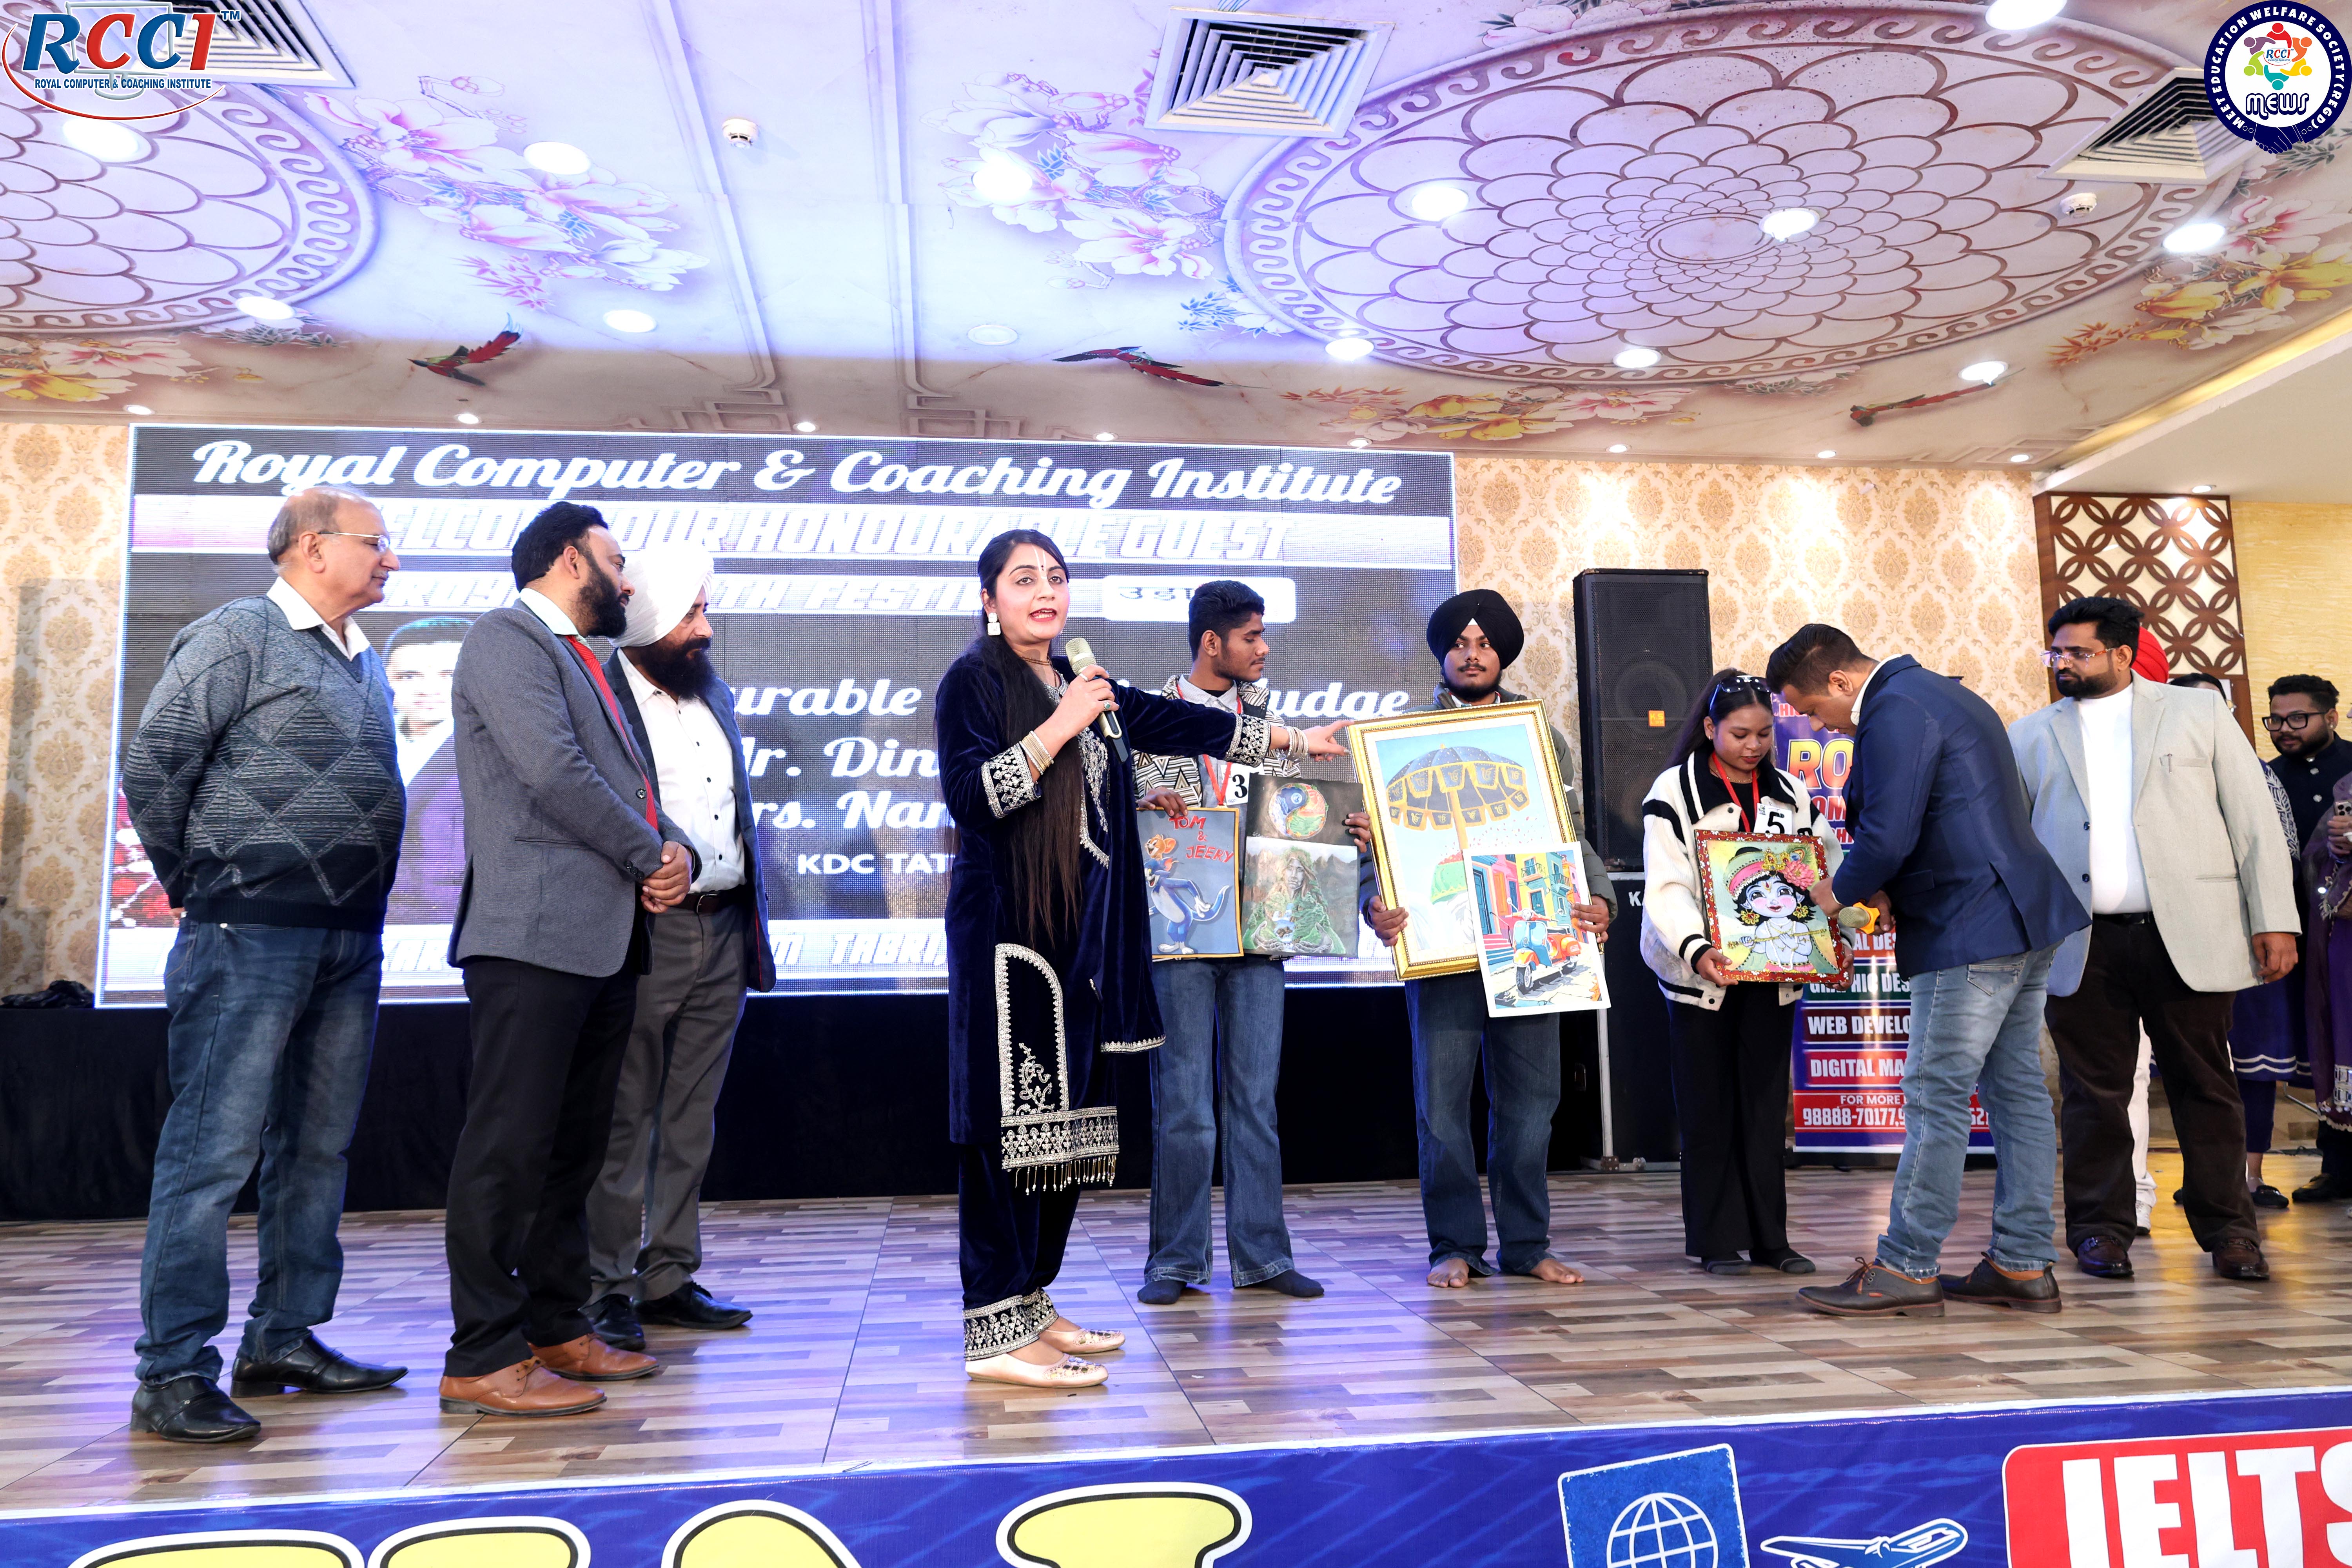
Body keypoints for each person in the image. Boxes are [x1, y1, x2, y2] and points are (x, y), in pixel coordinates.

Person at [935, 530, 1347, 1388]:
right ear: (989, 599)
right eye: (1023, 579)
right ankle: (993, 1325)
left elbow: (1185, 723)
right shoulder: (973, 680)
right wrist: (1063, 725)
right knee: (1009, 1134)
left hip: (1078, 941)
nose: (1044, 592)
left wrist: (1296, 742)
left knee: (1062, 1139)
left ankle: (1031, 1302)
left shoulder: (1077, 678)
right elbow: (974, 798)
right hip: (1010, 944)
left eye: (1055, 577)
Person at [118, 486, 409, 1443]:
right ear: (311, 547)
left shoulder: (362, 656)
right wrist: (205, 882)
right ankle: (172, 1370)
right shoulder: (237, 632)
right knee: (212, 1154)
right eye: (376, 543)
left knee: (316, 1149)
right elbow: (155, 764)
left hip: (348, 936)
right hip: (247, 932)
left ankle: (283, 1337)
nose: (390, 560)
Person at [437, 503, 696, 1417]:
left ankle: (554, 1325)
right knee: (508, 1148)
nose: (627, 581)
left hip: (600, 939)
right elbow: (553, 771)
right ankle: (482, 1351)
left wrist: (676, 846)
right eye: (616, 561)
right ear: (567, 558)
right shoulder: (505, 638)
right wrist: (648, 852)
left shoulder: (585, 657)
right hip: (532, 936)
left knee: (572, 1151)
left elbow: (625, 783)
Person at [1767, 624, 2086, 1318]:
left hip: (1970, 926)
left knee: (1935, 1094)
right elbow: (1952, 815)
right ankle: (2022, 1263)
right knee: (2017, 1092)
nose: (1818, 727)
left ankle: (1906, 1266)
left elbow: (1889, 835)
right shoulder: (1938, 692)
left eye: (1814, 710)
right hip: (2021, 915)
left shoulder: (1895, 708)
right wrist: (1885, 887)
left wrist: (1830, 896)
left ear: (1842, 682)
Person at [2011, 599, 2295, 1284]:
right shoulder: (2030, 734)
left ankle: (2230, 1232)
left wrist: (2274, 919)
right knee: (2093, 1093)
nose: (2063, 664)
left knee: (2206, 1086)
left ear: (2121, 653)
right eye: (2056, 653)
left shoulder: (2198, 713)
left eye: (2078, 653)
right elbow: (2016, 845)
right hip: (2083, 943)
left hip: (2188, 933)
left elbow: (2252, 820)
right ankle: (2100, 1232)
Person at [1347, 589, 1613, 1291]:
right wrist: (1374, 903)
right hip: (1440, 947)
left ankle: (1527, 1245)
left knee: (1532, 1107)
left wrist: (1600, 899)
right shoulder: (1399, 740)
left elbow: (1569, 831)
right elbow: (1379, 848)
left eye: (1485, 643)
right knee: (1442, 1111)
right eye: (1460, 644)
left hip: (1532, 937)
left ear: (1503, 654)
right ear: (1442, 654)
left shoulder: (1539, 735)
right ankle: (1454, 1245)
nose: (1472, 655)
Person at [585, 545, 775, 1351]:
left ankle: (668, 1275)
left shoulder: (712, 691)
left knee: (691, 1117)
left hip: (724, 923)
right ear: (651, 620)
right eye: (691, 613)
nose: (706, 628)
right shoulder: (600, 697)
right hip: (644, 928)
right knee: (623, 1116)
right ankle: (604, 1284)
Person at [1129, 580, 1323, 1307]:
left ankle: (1265, 1256)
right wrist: (1139, 800)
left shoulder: (1271, 721)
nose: (1264, 648)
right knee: (1183, 1104)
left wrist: (1340, 830)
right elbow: (1112, 809)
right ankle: (1174, 1260)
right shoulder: (1146, 715)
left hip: (1261, 930)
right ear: (1212, 643)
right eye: (1251, 637)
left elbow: (1297, 820)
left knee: (1255, 1101)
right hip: (1180, 930)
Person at [1639, 670, 1838, 1276]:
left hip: (1775, 975)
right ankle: (1717, 1240)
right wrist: (1697, 949)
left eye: (1764, 735)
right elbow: (1667, 885)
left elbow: (1824, 871)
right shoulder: (1675, 790)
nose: (1754, 746)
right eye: (1740, 735)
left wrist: (1839, 937)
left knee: (1763, 1108)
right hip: (1701, 977)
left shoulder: (1793, 794)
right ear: (1710, 729)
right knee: (1707, 1107)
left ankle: (1771, 1240)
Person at [2172, 671, 2303, 1210]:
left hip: (2248, 934)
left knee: (2254, 1062)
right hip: (2177, 938)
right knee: (2193, 1064)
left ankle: (2249, 1176)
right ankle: (2203, 1176)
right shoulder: (2151, 773)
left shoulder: (2256, 771)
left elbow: (2283, 852)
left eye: (2215, 708)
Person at [2261, 675, 2352, 1201]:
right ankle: (2337, 1165)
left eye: (2298, 718)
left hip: (2345, 934)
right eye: (2276, 719)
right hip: (2293, 931)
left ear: (2331, 717)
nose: (2285, 729)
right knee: (2324, 1041)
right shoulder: (2265, 777)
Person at [384, 616, 471, 925]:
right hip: (372, 913)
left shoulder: (497, 748)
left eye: (449, 675)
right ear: (386, 678)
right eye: (409, 676)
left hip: (453, 915)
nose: (428, 690)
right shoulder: (364, 741)